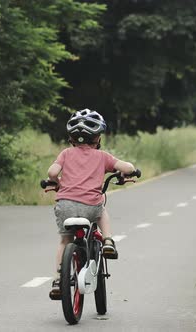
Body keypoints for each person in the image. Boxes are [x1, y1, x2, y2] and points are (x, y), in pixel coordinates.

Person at [46, 108, 136, 299]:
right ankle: (108, 240)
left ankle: (57, 280)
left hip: (65, 205)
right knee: (101, 208)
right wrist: (128, 172)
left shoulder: (66, 153)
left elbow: (52, 173)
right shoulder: (103, 156)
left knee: (64, 240)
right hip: (91, 206)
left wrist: (58, 183)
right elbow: (127, 168)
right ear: (97, 138)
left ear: (72, 137)